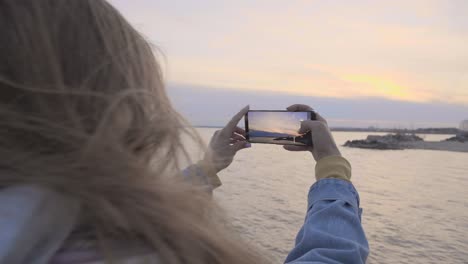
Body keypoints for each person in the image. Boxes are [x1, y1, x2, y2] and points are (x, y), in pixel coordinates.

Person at [0, 0, 368, 263]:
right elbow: (332, 257)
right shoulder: (136, 252)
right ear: (121, 108)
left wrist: (210, 166)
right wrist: (331, 166)